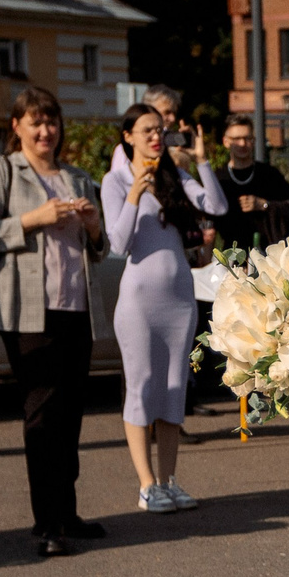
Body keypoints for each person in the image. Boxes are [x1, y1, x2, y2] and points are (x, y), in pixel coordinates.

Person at [0, 87, 107, 557]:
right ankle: (46, 523)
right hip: (30, 312)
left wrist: (93, 227)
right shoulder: (1, 170)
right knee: (43, 415)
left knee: (70, 415)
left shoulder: (77, 177)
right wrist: (34, 219)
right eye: (35, 122)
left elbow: (100, 248)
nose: (45, 131)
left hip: (76, 308)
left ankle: (66, 512)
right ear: (17, 127)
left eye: (51, 121)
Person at [102, 102, 226, 514]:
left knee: (174, 389)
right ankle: (146, 484)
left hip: (180, 300)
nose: (156, 137)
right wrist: (135, 193)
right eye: (147, 131)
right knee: (141, 388)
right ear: (128, 137)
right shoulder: (115, 180)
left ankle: (169, 480)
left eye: (160, 130)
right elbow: (119, 243)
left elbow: (217, 206)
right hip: (138, 302)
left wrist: (202, 161)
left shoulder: (174, 175)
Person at [212, 116, 289, 251]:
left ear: (254, 140)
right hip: (231, 253)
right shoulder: (218, 178)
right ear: (226, 142)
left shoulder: (269, 175)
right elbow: (210, 220)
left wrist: (263, 205)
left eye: (247, 138)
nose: (242, 144)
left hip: (268, 252)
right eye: (236, 139)